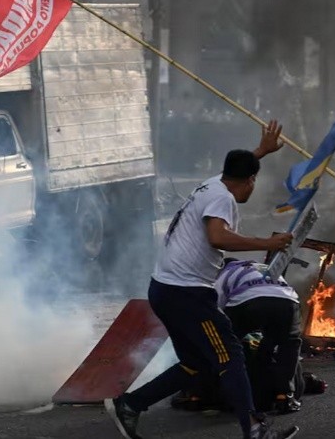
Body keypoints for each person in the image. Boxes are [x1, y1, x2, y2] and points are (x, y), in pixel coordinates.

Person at [105, 120, 299, 439]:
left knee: (198, 363)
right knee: (230, 354)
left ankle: (130, 404)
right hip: (187, 295)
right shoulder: (223, 199)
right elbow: (217, 236)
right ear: (250, 181)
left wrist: (261, 151)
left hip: (165, 289)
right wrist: (267, 244)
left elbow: (240, 172)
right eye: (253, 179)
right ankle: (253, 428)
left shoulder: (214, 184)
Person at [215, 258, 303, 415]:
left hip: (248, 303)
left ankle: (232, 395)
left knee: (230, 346)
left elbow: (217, 308)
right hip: (288, 301)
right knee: (288, 344)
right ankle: (285, 396)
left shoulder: (226, 272)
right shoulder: (264, 267)